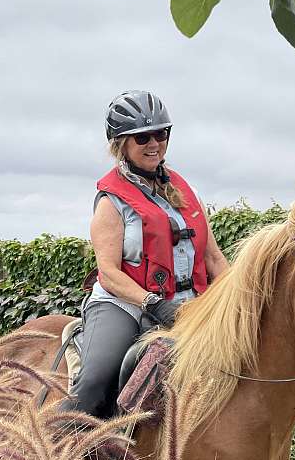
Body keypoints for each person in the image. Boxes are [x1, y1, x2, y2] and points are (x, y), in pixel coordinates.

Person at [63, 90, 229, 419]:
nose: (154, 143)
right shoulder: (112, 201)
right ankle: (62, 449)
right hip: (124, 305)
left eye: (161, 134)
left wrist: (240, 299)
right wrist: (153, 304)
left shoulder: (187, 192)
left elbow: (214, 260)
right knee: (95, 381)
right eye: (142, 137)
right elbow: (109, 273)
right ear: (121, 144)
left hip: (188, 307)